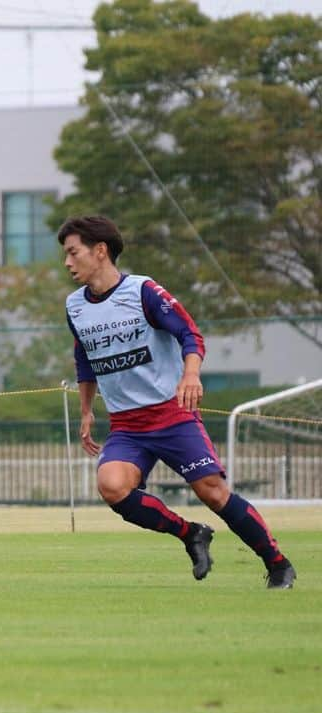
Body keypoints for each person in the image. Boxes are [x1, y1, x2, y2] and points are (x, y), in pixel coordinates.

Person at [60, 215, 295, 589]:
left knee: (213, 492)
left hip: (172, 416)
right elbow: (84, 360)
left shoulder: (143, 291)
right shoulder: (75, 306)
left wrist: (190, 374)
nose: (68, 262)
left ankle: (278, 563)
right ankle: (191, 534)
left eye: (73, 253)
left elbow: (190, 334)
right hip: (126, 425)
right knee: (112, 485)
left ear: (100, 251)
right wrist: (87, 411)